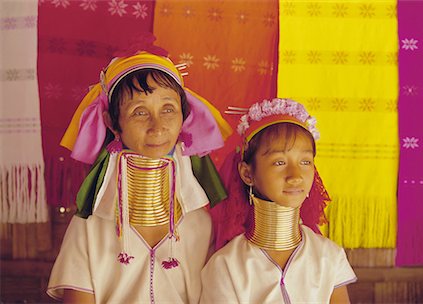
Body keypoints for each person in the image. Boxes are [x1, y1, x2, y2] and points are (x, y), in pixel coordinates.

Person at [46, 47, 231, 303]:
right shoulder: (90, 224)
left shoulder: (202, 224)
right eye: (139, 112)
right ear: (112, 123)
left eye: (168, 109)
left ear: (184, 116)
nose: (157, 126)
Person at [201, 98, 357, 303]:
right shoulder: (227, 266)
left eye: (305, 162)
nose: (296, 176)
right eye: (279, 162)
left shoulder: (329, 256)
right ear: (247, 174)